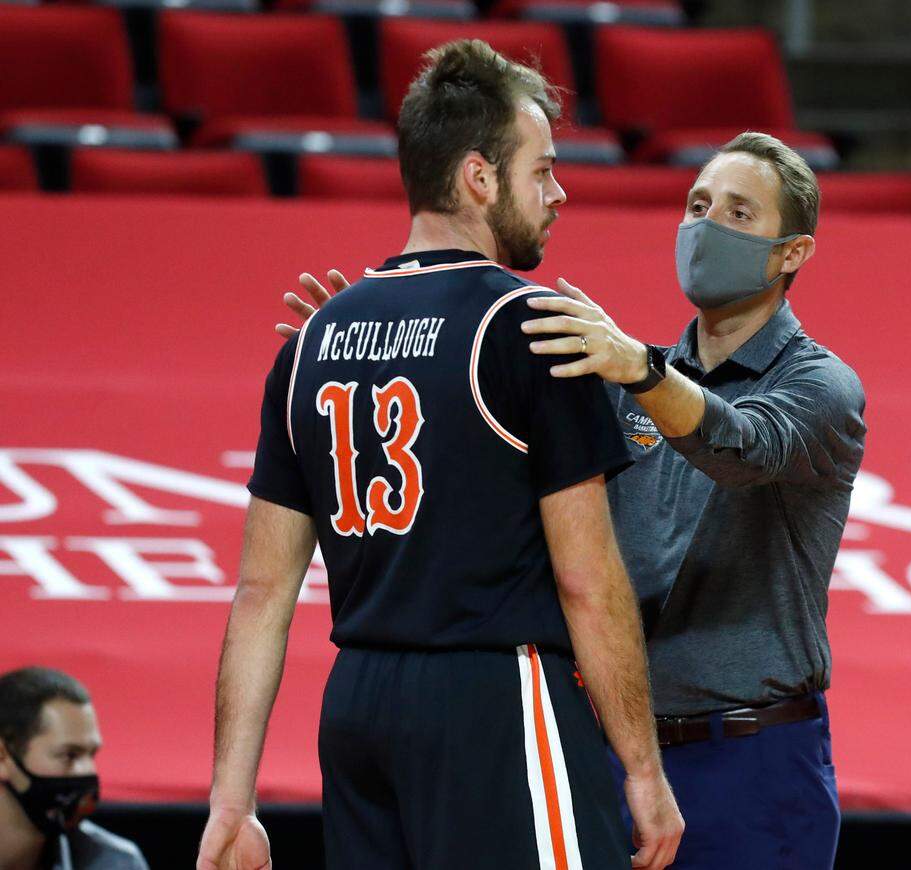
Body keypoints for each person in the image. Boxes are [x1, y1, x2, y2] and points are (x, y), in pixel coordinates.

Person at [285, 131, 865, 868]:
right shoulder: (626, 378)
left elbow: (742, 449)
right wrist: (381, 341)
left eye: (740, 214)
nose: (707, 226)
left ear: (793, 252)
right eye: (698, 205)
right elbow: (481, 447)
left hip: (751, 756)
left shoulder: (820, 386)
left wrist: (640, 373)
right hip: (613, 745)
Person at [197, 40, 682, 870]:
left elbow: (261, 590)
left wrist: (231, 803)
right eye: (542, 171)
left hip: (358, 709)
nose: (558, 193)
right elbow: (587, 579)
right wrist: (642, 768)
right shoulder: (531, 328)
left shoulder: (313, 339)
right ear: (478, 178)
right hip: (493, 696)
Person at [0, 667, 149, 870]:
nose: (88, 771)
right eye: (70, 755)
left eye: (92, 755)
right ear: (3, 757)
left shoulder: (116, 863)